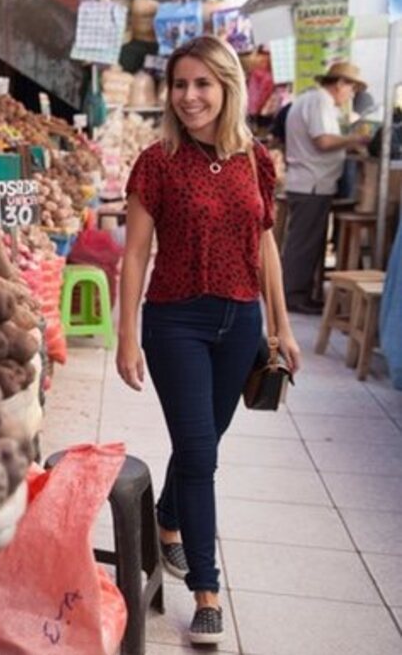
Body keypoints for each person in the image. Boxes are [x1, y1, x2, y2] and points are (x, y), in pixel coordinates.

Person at [117, 36, 301, 645]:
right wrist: (127, 335)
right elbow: (136, 252)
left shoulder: (256, 162)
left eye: (202, 84)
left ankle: (168, 519)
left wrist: (281, 325)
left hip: (240, 323)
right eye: (180, 85)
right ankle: (206, 590)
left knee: (201, 446)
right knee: (201, 455)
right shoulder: (158, 160)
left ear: (227, 89)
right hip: (176, 323)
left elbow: (265, 243)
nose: (190, 96)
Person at [280, 62, 373, 313]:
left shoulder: (315, 101)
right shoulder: (319, 101)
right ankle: (293, 295)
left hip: (312, 182)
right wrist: (356, 139)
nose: (351, 94)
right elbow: (323, 140)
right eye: (351, 88)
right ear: (340, 83)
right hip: (311, 182)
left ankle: (299, 292)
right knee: (305, 242)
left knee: (308, 240)